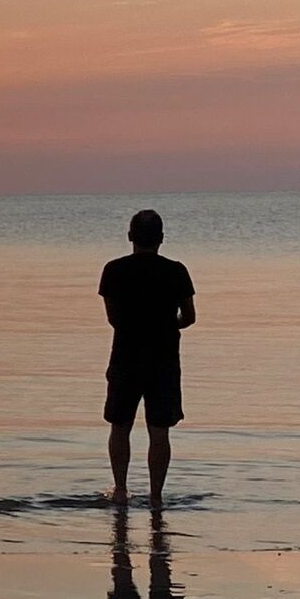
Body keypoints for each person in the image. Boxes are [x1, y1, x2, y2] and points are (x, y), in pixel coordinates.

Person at [98, 209, 195, 505]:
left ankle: (121, 490)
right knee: (159, 430)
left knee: (120, 425)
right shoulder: (176, 271)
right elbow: (189, 317)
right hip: (163, 360)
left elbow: (114, 319)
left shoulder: (114, 270)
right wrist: (165, 325)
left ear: (130, 237)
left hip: (126, 356)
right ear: (161, 239)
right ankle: (156, 496)